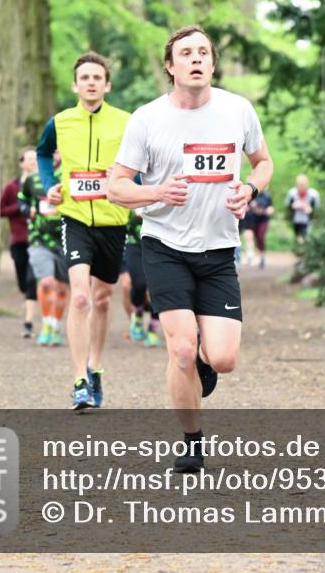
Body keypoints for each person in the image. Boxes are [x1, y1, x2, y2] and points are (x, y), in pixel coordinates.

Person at [108, 25, 273, 472]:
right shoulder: (147, 119)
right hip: (164, 246)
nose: (196, 58)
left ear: (213, 63)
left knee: (223, 358)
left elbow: (263, 162)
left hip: (219, 250)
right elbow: (116, 186)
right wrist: (158, 192)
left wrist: (250, 190)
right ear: (170, 65)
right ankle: (192, 441)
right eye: (186, 53)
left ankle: (203, 363)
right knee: (180, 349)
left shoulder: (238, 110)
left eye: (203, 52)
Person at [37, 52, 131, 409]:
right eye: (85, 78)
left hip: (113, 220)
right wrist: (49, 184)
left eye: (97, 77)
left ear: (107, 85)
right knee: (80, 297)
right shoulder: (59, 122)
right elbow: (43, 153)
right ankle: (79, 381)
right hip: (75, 218)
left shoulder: (126, 122)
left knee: (103, 298)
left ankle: (95, 367)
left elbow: (142, 161)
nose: (91, 82)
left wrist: (128, 182)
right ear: (75, 85)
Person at [19, 150, 70, 347]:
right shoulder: (33, 178)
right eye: (52, 151)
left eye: (58, 151)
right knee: (47, 282)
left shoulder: (70, 175)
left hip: (66, 239)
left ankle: (56, 324)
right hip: (39, 239)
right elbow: (22, 199)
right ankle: (47, 324)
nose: (54, 155)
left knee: (62, 287)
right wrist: (27, 210)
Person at [0, 146, 38, 338]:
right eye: (29, 159)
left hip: (38, 240)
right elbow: (0, 210)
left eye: (36, 159)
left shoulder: (44, 184)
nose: (33, 162)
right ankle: (28, 300)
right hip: (19, 240)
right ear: (21, 163)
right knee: (23, 282)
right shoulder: (12, 187)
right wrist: (22, 207)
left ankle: (28, 322)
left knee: (32, 280)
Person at [124, 209, 161, 347]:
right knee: (139, 284)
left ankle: (152, 329)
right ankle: (138, 315)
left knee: (157, 288)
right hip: (134, 244)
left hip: (160, 245)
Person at [285, 174, 319, 244]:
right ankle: (299, 248)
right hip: (296, 220)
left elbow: (317, 207)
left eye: (303, 184)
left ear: (307, 183)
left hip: (308, 220)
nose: (302, 185)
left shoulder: (313, 194)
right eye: (300, 184)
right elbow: (288, 205)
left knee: (304, 237)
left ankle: (304, 247)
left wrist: (310, 209)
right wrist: (293, 206)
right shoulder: (292, 193)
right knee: (298, 237)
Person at [246, 186, 274, 268]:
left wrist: (269, 210)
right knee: (254, 238)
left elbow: (271, 207)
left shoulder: (267, 196)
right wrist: (252, 206)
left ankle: (262, 257)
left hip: (263, 220)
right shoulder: (251, 194)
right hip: (253, 219)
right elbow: (246, 206)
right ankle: (256, 256)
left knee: (260, 237)